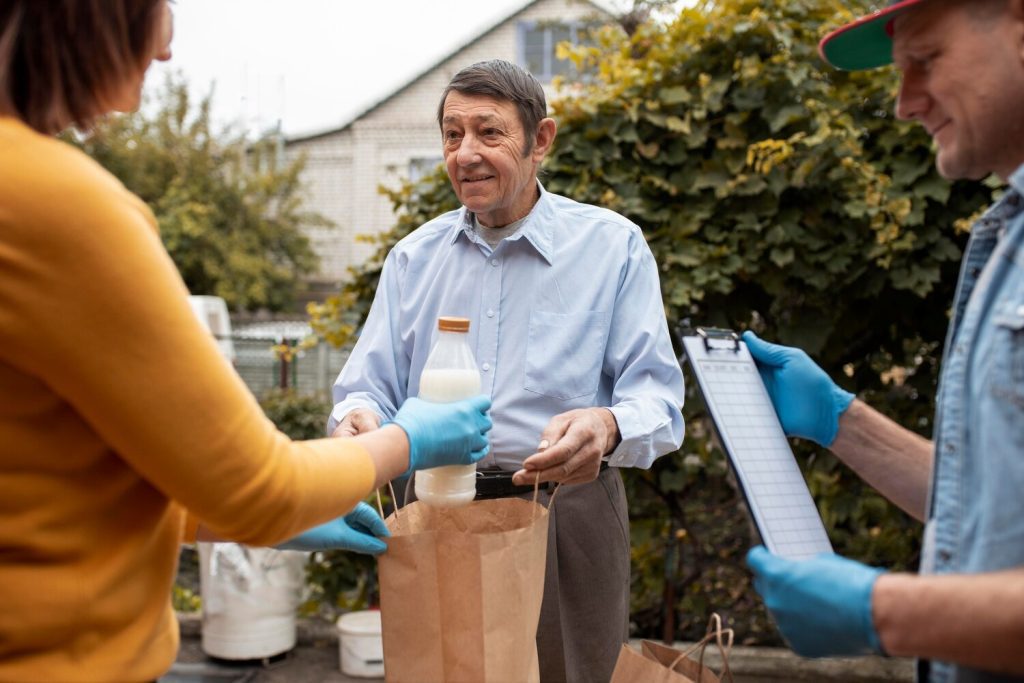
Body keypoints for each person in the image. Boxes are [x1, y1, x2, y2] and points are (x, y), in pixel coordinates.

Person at [0, 2, 492, 680]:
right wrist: (407, 440)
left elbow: (43, 493)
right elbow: (261, 485)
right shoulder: (55, 203)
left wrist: (240, 518)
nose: (168, 48)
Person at [328, 59, 686, 682]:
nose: (466, 153)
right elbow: (368, 387)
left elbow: (659, 401)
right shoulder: (413, 259)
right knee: (439, 671)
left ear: (540, 140)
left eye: (489, 133)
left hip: (566, 509)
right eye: (451, 134)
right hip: (435, 508)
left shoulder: (612, 247)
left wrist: (605, 424)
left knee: (574, 673)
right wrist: (355, 418)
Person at [742, 0, 1024, 680]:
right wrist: (844, 421)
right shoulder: (1007, 236)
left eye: (924, 62)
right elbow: (994, 507)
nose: (904, 104)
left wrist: (885, 609)